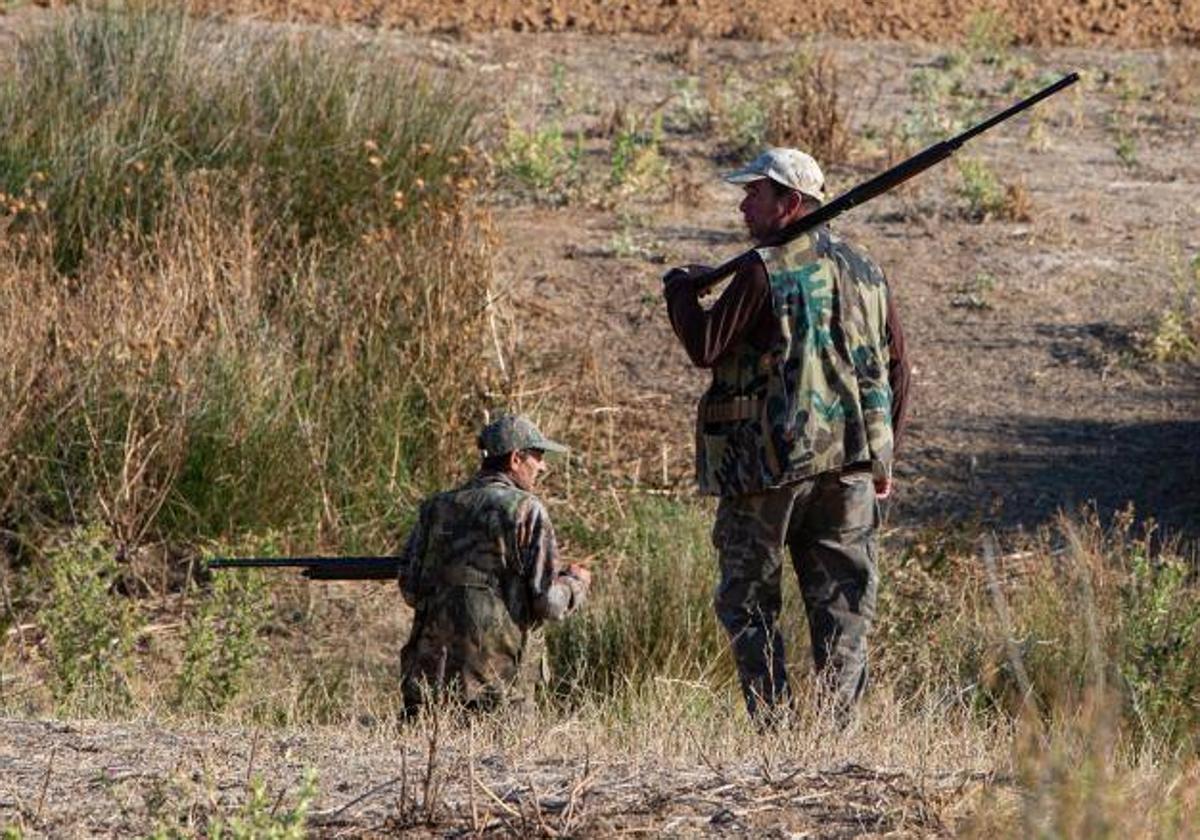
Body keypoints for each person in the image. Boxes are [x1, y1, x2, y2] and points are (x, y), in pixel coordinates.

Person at [662, 147, 911, 725]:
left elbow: (705, 346)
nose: (744, 205)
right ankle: (832, 736)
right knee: (843, 607)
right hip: (850, 466)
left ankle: (775, 729)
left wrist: (679, 292)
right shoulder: (867, 269)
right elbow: (899, 367)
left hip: (766, 470)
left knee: (748, 602)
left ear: (791, 203)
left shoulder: (761, 268)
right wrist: (883, 454)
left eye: (756, 193)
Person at [397, 414, 592, 715]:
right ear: (516, 459)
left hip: (429, 689)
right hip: (499, 690)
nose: (543, 466)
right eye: (538, 457)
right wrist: (575, 584)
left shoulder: (435, 508)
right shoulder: (526, 510)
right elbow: (548, 604)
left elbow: (411, 589)